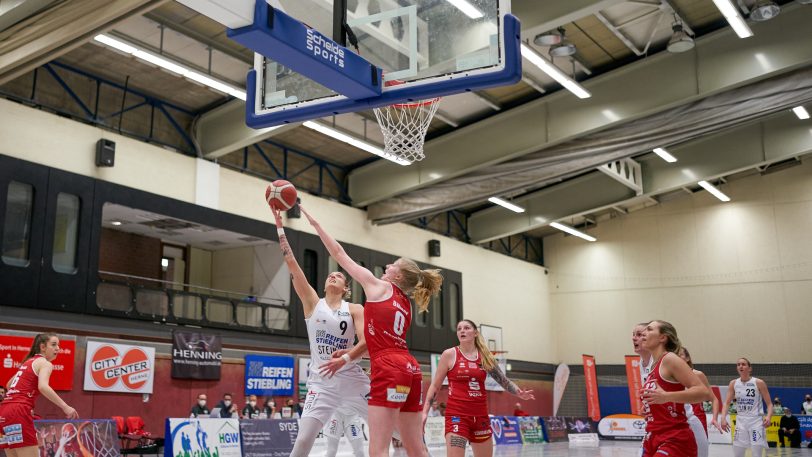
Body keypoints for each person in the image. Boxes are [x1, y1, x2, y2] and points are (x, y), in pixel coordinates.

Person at [303, 205, 443, 457]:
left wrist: (316, 225)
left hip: (389, 368)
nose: (388, 266)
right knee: (415, 446)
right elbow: (380, 342)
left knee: (378, 449)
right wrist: (351, 355)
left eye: (393, 266)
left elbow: (339, 253)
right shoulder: (406, 303)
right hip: (410, 368)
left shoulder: (378, 287)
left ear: (398, 277)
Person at [272, 208, 369, 457]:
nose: (333, 276)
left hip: (352, 378)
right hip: (322, 383)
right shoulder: (313, 303)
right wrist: (280, 227)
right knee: (303, 441)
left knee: (394, 428)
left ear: (346, 288)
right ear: (325, 284)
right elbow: (292, 263)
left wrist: (346, 357)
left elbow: (367, 342)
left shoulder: (356, 308)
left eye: (339, 275)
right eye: (330, 275)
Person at [423, 319, 533, 457]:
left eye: (467, 328)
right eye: (459, 329)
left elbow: (504, 381)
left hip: (480, 417)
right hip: (457, 417)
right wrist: (424, 412)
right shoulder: (449, 355)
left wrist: (518, 392)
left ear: (475, 333)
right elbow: (435, 386)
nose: (462, 330)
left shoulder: (485, 357)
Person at [0, 333, 78, 457]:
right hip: (18, 411)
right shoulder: (44, 363)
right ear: (42, 347)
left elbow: (9, 385)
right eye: (53, 344)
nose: (57, 348)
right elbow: (43, 386)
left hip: (4, 412)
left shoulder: (28, 362)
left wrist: (19, 402)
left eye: (58, 345)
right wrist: (65, 407)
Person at [639, 320, 710, 457]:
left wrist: (666, 397)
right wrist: (650, 407)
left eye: (649, 329)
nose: (643, 333)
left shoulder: (670, 359)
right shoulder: (652, 367)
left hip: (674, 437)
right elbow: (660, 399)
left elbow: (703, 392)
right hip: (653, 435)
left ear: (662, 337)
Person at [720, 358, 773, 457]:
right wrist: (723, 418)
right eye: (738, 364)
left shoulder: (759, 382)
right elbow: (726, 403)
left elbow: (770, 404)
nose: (740, 366)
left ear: (749, 368)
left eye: (743, 364)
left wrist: (769, 417)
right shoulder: (733, 383)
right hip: (740, 421)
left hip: (756, 422)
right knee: (738, 454)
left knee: (756, 454)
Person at [677, 346, 720, 457]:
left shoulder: (698, 374)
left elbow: (714, 399)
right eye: (675, 354)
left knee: (700, 451)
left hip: (697, 416)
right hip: (678, 417)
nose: (677, 357)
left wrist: (715, 418)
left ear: (687, 358)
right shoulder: (671, 376)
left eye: (680, 354)